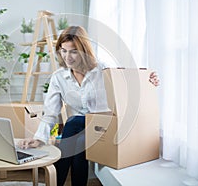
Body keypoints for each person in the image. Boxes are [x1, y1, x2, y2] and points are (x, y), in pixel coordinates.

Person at [20, 26, 159, 186]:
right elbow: (51, 114)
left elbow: (131, 83)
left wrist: (150, 79)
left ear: (84, 50)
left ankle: (54, 183)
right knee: (78, 142)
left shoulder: (103, 70)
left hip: (107, 127)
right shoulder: (59, 78)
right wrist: (39, 138)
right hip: (81, 131)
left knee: (72, 122)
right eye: (63, 51)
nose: (67, 57)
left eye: (73, 51)